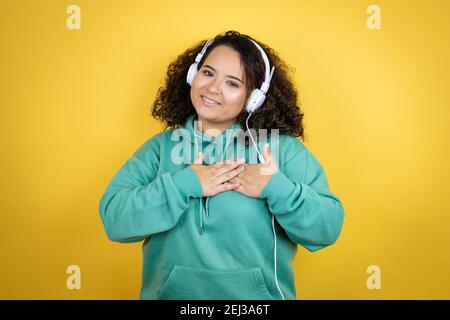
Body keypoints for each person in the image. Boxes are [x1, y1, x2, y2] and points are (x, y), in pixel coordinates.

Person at [98, 30, 345, 300]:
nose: (213, 88)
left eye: (232, 83)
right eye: (207, 73)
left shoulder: (280, 150)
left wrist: (277, 188)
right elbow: (115, 220)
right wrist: (185, 184)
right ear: (192, 75)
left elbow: (327, 229)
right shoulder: (160, 148)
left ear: (254, 98)